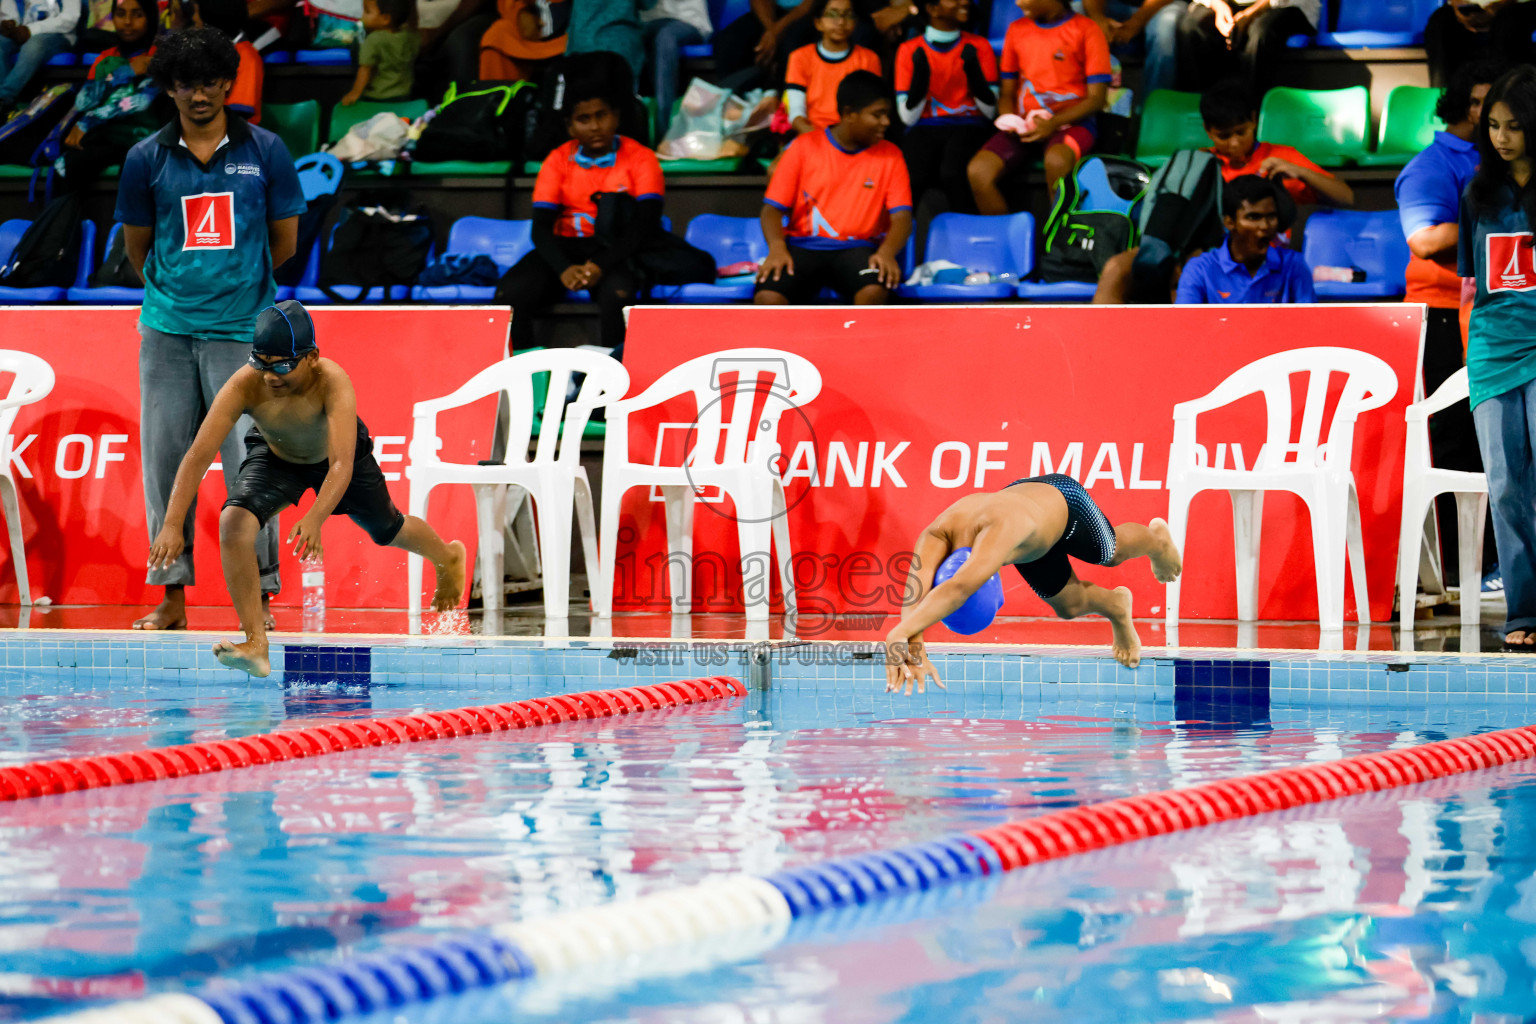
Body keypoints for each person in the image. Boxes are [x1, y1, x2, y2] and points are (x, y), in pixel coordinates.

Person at [147, 301, 468, 678]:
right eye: (261, 363)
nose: (270, 376)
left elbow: (341, 463)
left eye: (282, 365)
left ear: (311, 357)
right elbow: (198, 454)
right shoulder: (244, 383)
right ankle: (254, 644)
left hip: (336, 459)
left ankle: (447, 558)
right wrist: (171, 523)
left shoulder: (333, 380)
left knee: (387, 529)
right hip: (277, 454)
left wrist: (316, 517)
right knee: (234, 522)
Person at [115, 26, 305, 632]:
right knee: (166, 466)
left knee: (255, 465)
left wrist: (235, 291)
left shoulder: (267, 150)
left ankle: (263, 598)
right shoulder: (145, 158)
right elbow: (138, 250)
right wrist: (180, 295)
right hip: (167, 333)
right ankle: (171, 598)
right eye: (186, 83)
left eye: (211, 82)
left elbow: (285, 242)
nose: (200, 94)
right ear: (170, 89)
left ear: (229, 82)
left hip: (242, 336)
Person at [884, 476, 1183, 688]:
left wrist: (894, 635)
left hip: (1064, 504)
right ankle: (1116, 606)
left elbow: (960, 588)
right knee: (1069, 606)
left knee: (1111, 552)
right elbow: (918, 590)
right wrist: (912, 643)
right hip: (1031, 538)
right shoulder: (938, 534)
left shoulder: (998, 529)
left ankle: (1156, 541)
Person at [1397, 57, 1503, 591]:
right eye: (1488, 103)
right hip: (1441, 318)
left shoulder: (1501, 160)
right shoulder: (1434, 166)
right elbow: (1422, 240)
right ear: (1465, 107)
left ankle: (1494, 564)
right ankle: (1465, 571)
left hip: (1493, 313)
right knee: (1457, 444)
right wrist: (1497, 214)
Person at [1459, 65, 1536, 647]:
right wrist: (1474, 348)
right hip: (1493, 348)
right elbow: (1470, 286)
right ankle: (1524, 613)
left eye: (1514, 125)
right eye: (1493, 126)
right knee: (1506, 484)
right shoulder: (1477, 193)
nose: (1501, 137)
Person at [495, 81, 661, 351]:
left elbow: (644, 225)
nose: (595, 126)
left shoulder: (641, 158)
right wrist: (563, 268)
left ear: (616, 117)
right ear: (570, 126)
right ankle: (521, 372)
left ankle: (618, 376)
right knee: (510, 294)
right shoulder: (557, 160)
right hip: (564, 247)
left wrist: (599, 265)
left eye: (601, 115)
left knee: (619, 295)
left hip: (615, 247)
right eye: (584, 119)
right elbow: (540, 229)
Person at [755, 70, 912, 305]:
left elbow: (902, 216)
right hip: (802, 246)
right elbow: (771, 210)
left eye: (887, 115)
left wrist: (887, 253)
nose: (885, 122)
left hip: (858, 248)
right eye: (877, 115)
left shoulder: (891, 155)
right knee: (768, 296)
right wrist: (777, 248)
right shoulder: (803, 147)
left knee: (873, 292)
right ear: (849, 114)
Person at [966, 0, 1110, 216]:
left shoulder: (1087, 30)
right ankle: (1009, 241)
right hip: (1026, 127)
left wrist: (1053, 123)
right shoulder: (1016, 30)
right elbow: (1007, 93)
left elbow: (1097, 99)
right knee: (978, 171)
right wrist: (1010, 119)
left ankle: (1059, 242)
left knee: (1057, 161)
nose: (1017, 2)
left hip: (1072, 123)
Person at [894, 0, 997, 211]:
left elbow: (989, 112)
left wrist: (973, 71)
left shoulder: (980, 46)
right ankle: (903, 240)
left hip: (970, 124)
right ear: (931, 8)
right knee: (911, 176)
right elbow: (908, 118)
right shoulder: (909, 50)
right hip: (925, 125)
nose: (964, 2)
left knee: (953, 173)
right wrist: (921, 78)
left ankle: (966, 235)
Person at [52, 0, 163, 194]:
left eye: (137, 14)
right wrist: (125, 72)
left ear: (150, 18)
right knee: (64, 165)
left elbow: (142, 102)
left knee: (135, 168)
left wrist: (88, 121)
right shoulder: (106, 57)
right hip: (109, 135)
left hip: (147, 137)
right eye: (121, 14)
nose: (127, 22)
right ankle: (73, 223)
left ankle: (125, 225)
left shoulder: (160, 56)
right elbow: (84, 101)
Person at [1200, 77, 1353, 209]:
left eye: (1241, 133)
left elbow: (1347, 198)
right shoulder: (1200, 164)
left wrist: (1300, 172)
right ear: (1208, 130)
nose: (1234, 143)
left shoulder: (1284, 157)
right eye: (1224, 136)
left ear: (1254, 120)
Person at [1175, 173, 1314, 304]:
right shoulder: (1200, 269)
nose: (1265, 226)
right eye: (1253, 217)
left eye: (1271, 216)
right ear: (1229, 222)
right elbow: (1184, 326)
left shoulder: (1293, 265)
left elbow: (1310, 324)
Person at [1174, 0, 1318, 96]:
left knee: (1260, 33)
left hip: (1284, 5)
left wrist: (1250, 13)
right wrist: (1218, 5)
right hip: (1224, 5)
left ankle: (1251, 118)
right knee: (1192, 29)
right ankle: (1206, 115)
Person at [784, 0, 880, 135]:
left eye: (847, 15)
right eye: (832, 14)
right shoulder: (799, 58)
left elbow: (869, 110)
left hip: (852, 137)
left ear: (855, 22)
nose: (841, 21)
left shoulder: (868, 59)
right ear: (818, 23)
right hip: (811, 134)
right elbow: (796, 113)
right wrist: (819, 140)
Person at [1078, 0, 1185, 97]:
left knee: (1164, 33)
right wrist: (1098, 18)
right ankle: (1074, 99)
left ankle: (1154, 102)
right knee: (1074, 12)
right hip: (1114, 5)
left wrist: (1135, 23)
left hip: (1161, 6)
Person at [1424, 0, 1536, 90]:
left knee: (1508, 18)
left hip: (1516, 8)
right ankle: (1444, 101)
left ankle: (1508, 97)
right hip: (1473, 8)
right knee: (1441, 20)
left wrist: (1498, 8)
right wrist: (1458, 8)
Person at [640, 0, 711, 137]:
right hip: (645, 22)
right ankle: (628, 131)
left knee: (665, 38)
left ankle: (664, 132)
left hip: (686, 20)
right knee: (624, 37)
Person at [0, 0, 78, 115]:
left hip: (58, 36)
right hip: (22, 34)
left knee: (34, 45)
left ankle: (4, 100)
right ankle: (10, 105)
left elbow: (70, 18)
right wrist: (9, 25)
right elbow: (9, 14)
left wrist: (31, 30)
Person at [341, 0, 420, 104]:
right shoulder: (410, 36)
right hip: (404, 95)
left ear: (385, 18)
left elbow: (365, 70)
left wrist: (354, 94)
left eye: (367, 12)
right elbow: (414, 25)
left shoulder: (373, 40)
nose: (362, 16)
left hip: (377, 97)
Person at [478, 0, 566, 80]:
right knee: (497, 36)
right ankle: (501, 95)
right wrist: (520, 12)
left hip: (570, 33)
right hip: (528, 29)